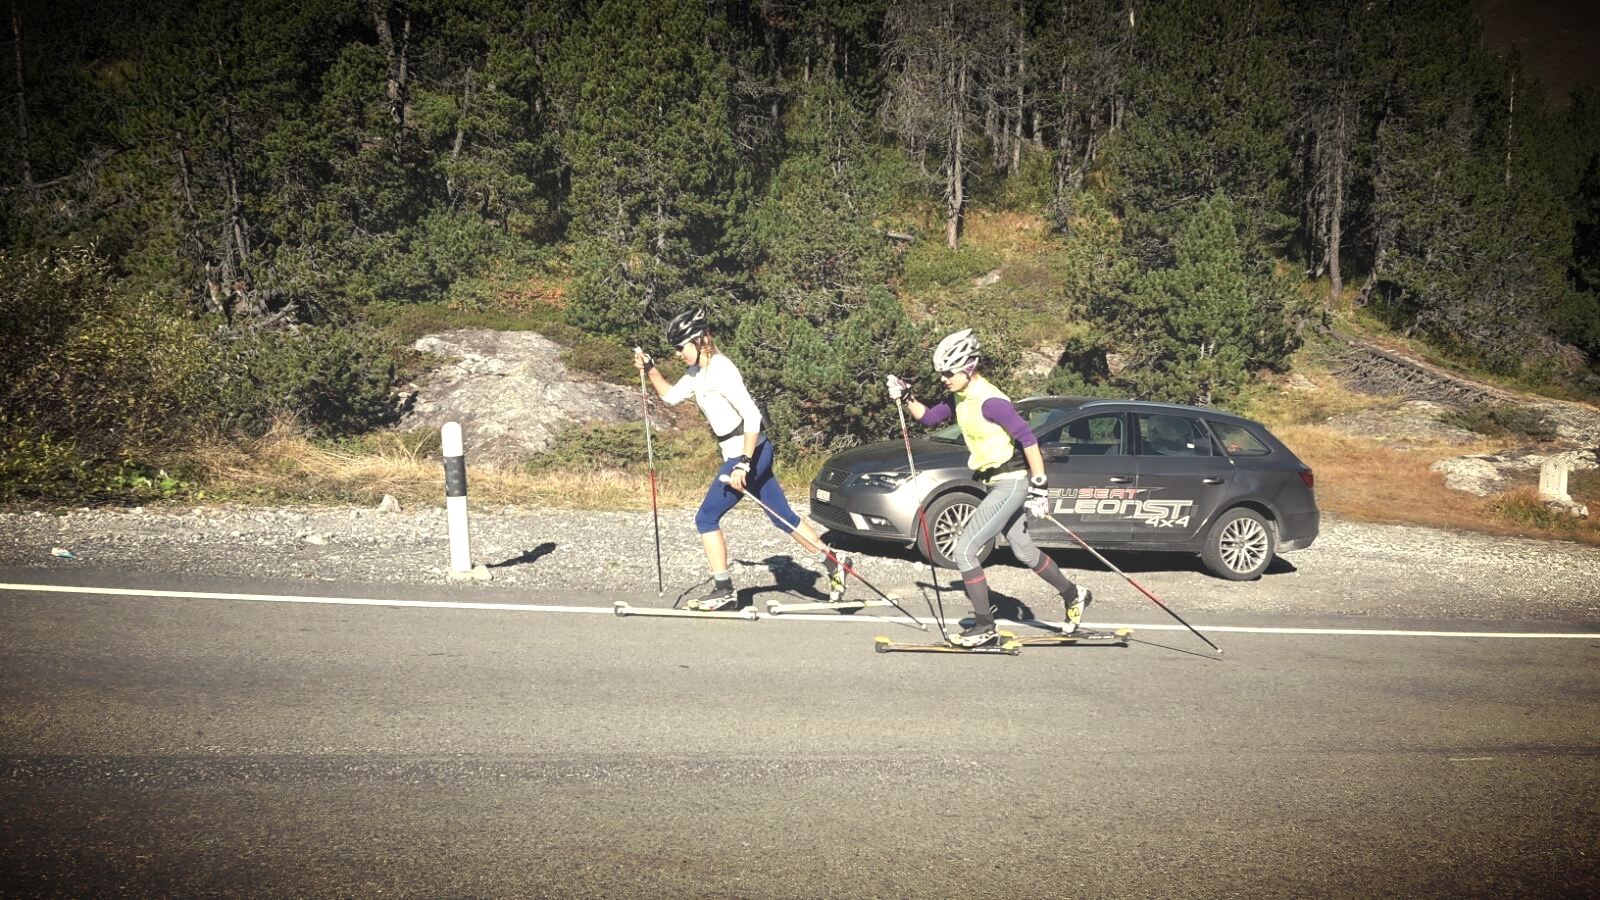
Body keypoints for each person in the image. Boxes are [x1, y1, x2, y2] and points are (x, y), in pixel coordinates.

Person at [887, 329, 1092, 647]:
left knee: (964, 550)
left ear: (968, 367)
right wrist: (906, 395)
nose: (944, 379)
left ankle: (985, 625)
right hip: (995, 483)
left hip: (1011, 483)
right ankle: (1073, 593)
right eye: (941, 373)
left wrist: (1039, 485)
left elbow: (1028, 439)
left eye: (949, 373)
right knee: (1024, 551)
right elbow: (928, 419)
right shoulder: (960, 398)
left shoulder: (991, 401)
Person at [634, 309, 848, 610]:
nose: (679, 354)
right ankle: (834, 562)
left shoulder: (722, 369)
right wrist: (651, 369)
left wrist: (743, 463)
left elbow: (752, 416)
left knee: (706, 517)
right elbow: (670, 397)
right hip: (749, 453)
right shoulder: (698, 374)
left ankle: (724, 590)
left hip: (749, 454)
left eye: (681, 347)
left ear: (699, 340)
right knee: (781, 516)